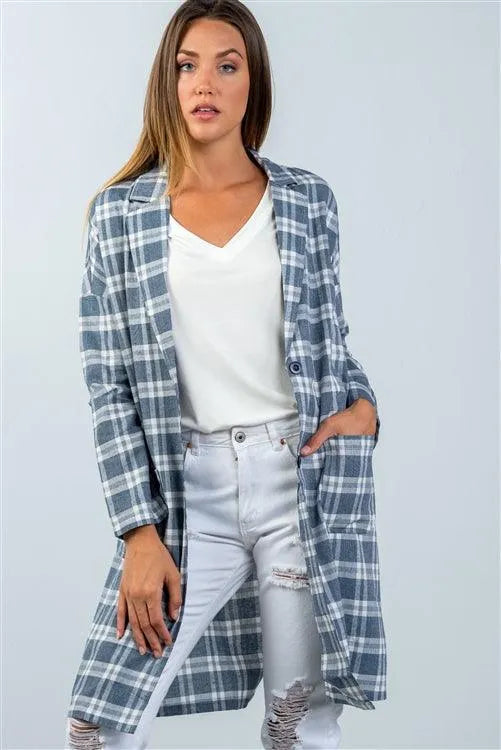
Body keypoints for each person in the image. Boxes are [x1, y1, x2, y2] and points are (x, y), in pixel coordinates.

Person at [65, 1, 387, 748]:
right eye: (187, 66)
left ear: (252, 84)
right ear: (168, 83)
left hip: (297, 483)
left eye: (226, 65)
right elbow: (108, 386)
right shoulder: (120, 217)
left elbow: (327, 337)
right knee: (98, 725)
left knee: (297, 723)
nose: (203, 83)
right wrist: (138, 531)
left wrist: (365, 405)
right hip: (189, 498)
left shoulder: (306, 201)